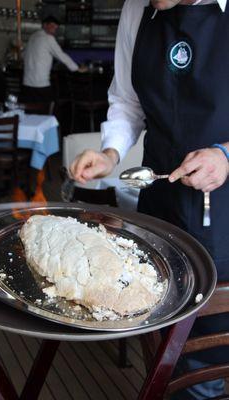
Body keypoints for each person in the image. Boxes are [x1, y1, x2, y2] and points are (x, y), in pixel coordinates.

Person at [70, 0, 229, 399]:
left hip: (224, 208)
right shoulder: (137, 9)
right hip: (160, 202)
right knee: (160, 327)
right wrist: (110, 153)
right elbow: (127, 101)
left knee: (207, 349)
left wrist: (225, 154)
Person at [22, 15, 85, 102]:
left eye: (55, 28)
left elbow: (23, 55)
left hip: (27, 84)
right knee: (47, 110)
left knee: (29, 112)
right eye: (52, 27)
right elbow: (61, 56)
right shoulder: (48, 38)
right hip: (40, 85)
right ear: (44, 25)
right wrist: (76, 68)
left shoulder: (32, 36)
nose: (53, 30)